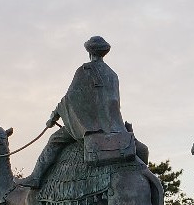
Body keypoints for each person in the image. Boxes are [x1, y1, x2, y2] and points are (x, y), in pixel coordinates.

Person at [20, 36, 130, 187]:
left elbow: (69, 98)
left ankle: (36, 177)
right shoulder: (113, 74)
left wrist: (53, 117)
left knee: (54, 140)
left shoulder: (86, 70)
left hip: (93, 126)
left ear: (89, 52)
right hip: (115, 126)